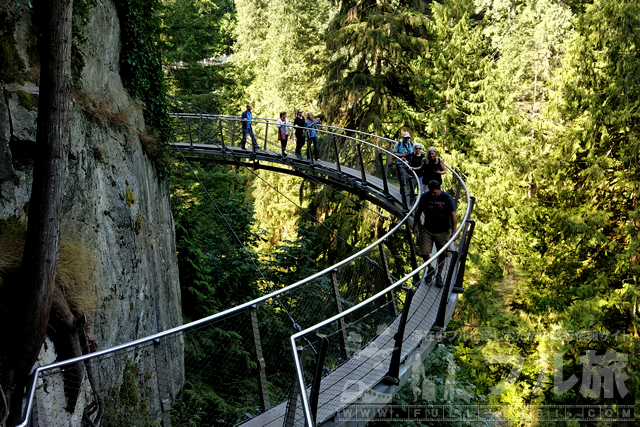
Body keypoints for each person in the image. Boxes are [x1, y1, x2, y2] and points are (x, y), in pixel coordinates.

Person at [412, 180, 457, 288]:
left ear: (439, 190)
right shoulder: (425, 197)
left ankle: (439, 275)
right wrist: (415, 225)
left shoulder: (446, 198)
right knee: (424, 251)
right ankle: (431, 269)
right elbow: (418, 211)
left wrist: (454, 231)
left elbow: (453, 215)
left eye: (435, 193)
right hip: (428, 229)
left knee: (443, 253)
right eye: (431, 192)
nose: (432, 194)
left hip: (443, 230)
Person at [393, 132, 414, 203]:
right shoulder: (398, 144)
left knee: (408, 179)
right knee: (403, 179)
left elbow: (414, 153)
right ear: (403, 138)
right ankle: (404, 195)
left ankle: (402, 191)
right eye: (405, 138)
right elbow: (394, 153)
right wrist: (402, 155)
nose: (407, 139)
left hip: (408, 165)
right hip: (400, 164)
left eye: (408, 138)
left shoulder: (411, 144)